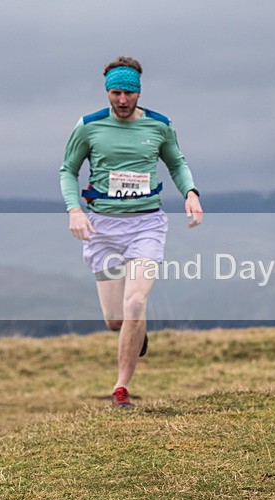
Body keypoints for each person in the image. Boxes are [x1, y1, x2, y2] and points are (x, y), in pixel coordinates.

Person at [59, 56, 203, 408]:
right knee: (115, 320)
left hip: (146, 225)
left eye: (129, 93)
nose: (122, 100)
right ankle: (135, 332)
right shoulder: (88, 127)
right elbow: (68, 170)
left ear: (139, 92)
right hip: (103, 228)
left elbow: (176, 163)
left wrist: (191, 193)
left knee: (136, 301)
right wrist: (74, 209)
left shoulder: (159, 126)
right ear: (107, 91)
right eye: (116, 93)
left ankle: (121, 388)